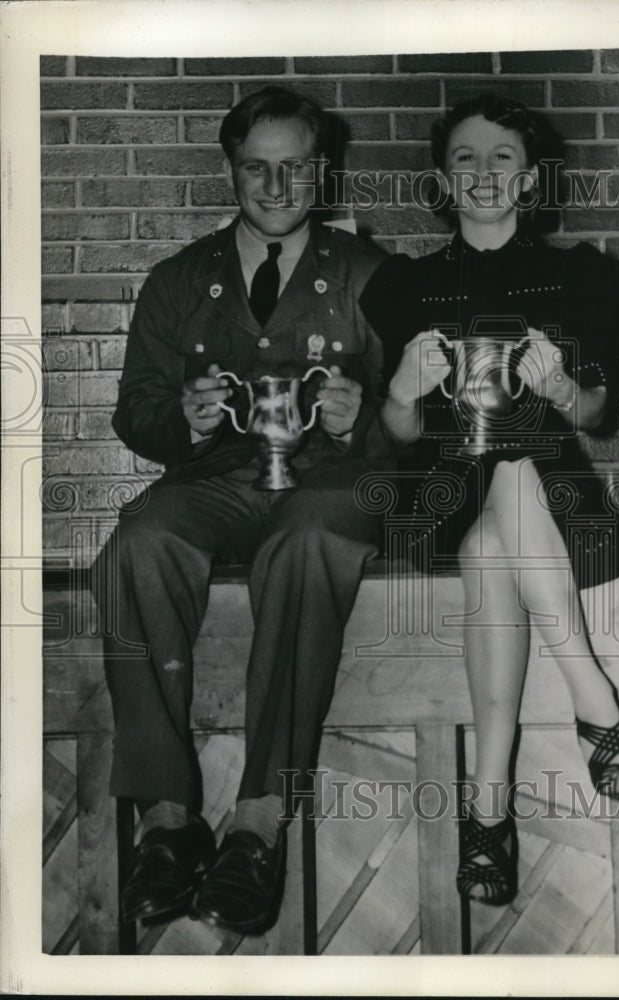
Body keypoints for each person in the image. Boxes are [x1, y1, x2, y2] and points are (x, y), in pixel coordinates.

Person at [93, 85, 391, 936]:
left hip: (330, 481)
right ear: (231, 170)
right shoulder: (179, 279)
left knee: (315, 540)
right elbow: (136, 410)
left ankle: (260, 818)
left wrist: (360, 413)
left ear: (320, 172)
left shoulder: (373, 276)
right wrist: (176, 419)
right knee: (138, 544)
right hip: (217, 478)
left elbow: (421, 421)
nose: (274, 184)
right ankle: (165, 819)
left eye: (292, 166)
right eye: (256, 167)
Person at [360, 94, 619, 908]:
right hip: (437, 492)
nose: (484, 173)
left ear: (528, 178)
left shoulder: (577, 276)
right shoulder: (403, 285)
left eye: (501, 158)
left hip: (555, 501)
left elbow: (598, 415)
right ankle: (593, 701)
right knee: (498, 492)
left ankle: (485, 808)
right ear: (441, 179)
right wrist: (401, 386)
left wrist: (561, 383)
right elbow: (390, 434)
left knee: (509, 504)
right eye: (464, 157)